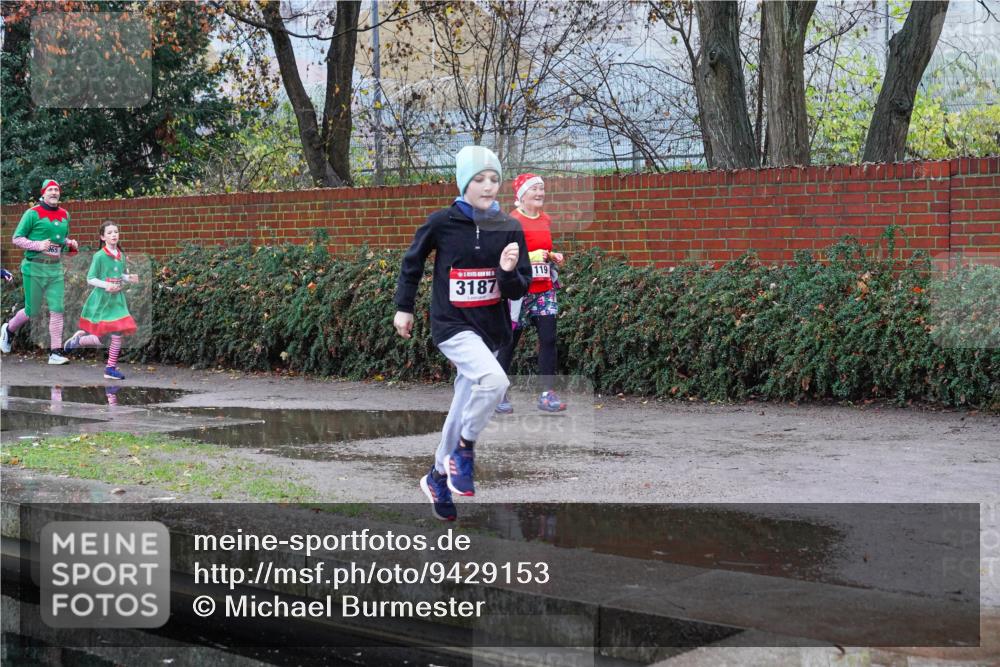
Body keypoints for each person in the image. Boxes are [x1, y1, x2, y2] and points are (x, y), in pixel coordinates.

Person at [393, 146, 531, 521]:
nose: (488, 186)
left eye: (494, 179)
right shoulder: (442, 222)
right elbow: (412, 262)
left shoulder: (509, 227)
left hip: (491, 331)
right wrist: (404, 308)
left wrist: (505, 271)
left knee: (463, 403)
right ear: (463, 182)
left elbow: (521, 287)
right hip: (452, 326)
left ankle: (438, 476)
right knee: (495, 381)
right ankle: (464, 450)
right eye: (478, 179)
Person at [496, 173, 567, 413]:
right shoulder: (512, 221)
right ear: (521, 195)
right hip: (519, 290)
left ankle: (547, 394)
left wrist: (552, 255)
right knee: (509, 342)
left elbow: (543, 250)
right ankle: (498, 394)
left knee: (548, 339)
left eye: (541, 189)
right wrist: (530, 257)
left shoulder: (545, 219)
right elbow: (505, 254)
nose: (539, 193)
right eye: (534, 189)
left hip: (544, 288)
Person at [0, 180, 79, 362]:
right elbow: (17, 239)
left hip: (55, 270)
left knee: (58, 309)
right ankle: (9, 329)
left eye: (56, 190)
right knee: (32, 311)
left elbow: (59, 241)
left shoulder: (64, 215)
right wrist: (38, 245)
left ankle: (55, 353)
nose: (54, 192)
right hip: (34, 268)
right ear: (43, 194)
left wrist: (69, 244)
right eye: (50, 190)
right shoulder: (32, 213)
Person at [63, 221, 138, 380]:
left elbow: (119, 275)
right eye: (110, 233)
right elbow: (90, 279)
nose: (113, 235)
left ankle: (110, 368)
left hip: (117, 301)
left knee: (118, 333)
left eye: (116, 232)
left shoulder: (120, 255)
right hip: (102, 300)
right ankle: (80, 340)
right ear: (102, 237)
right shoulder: (99, 256)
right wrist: (107, 285)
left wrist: (128, 278)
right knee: (101, 338)